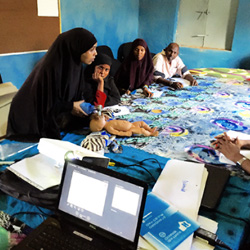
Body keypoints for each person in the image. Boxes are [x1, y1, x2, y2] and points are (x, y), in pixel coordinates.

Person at [7, 27, 99, 142]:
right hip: (31, 124)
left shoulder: (76, 66)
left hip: (57, 118)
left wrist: (90, 114)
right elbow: (45, 106)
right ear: (76, 48)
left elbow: (78, 97)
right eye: (91, 49)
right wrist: (71, 106)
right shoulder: (50, 69)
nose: (96, 53)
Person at [89, 113, 159, 137]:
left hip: (131, 124)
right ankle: (150, 134)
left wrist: (104, 117)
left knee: (142, 122)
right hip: (129, 129)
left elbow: (105, 116)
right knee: (142, 130)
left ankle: (150, 129)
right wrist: (126, 133)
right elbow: (117, 132)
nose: (100, 118)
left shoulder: (108, 121)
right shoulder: (109, 128)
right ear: (99, 127)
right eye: (98, 120)